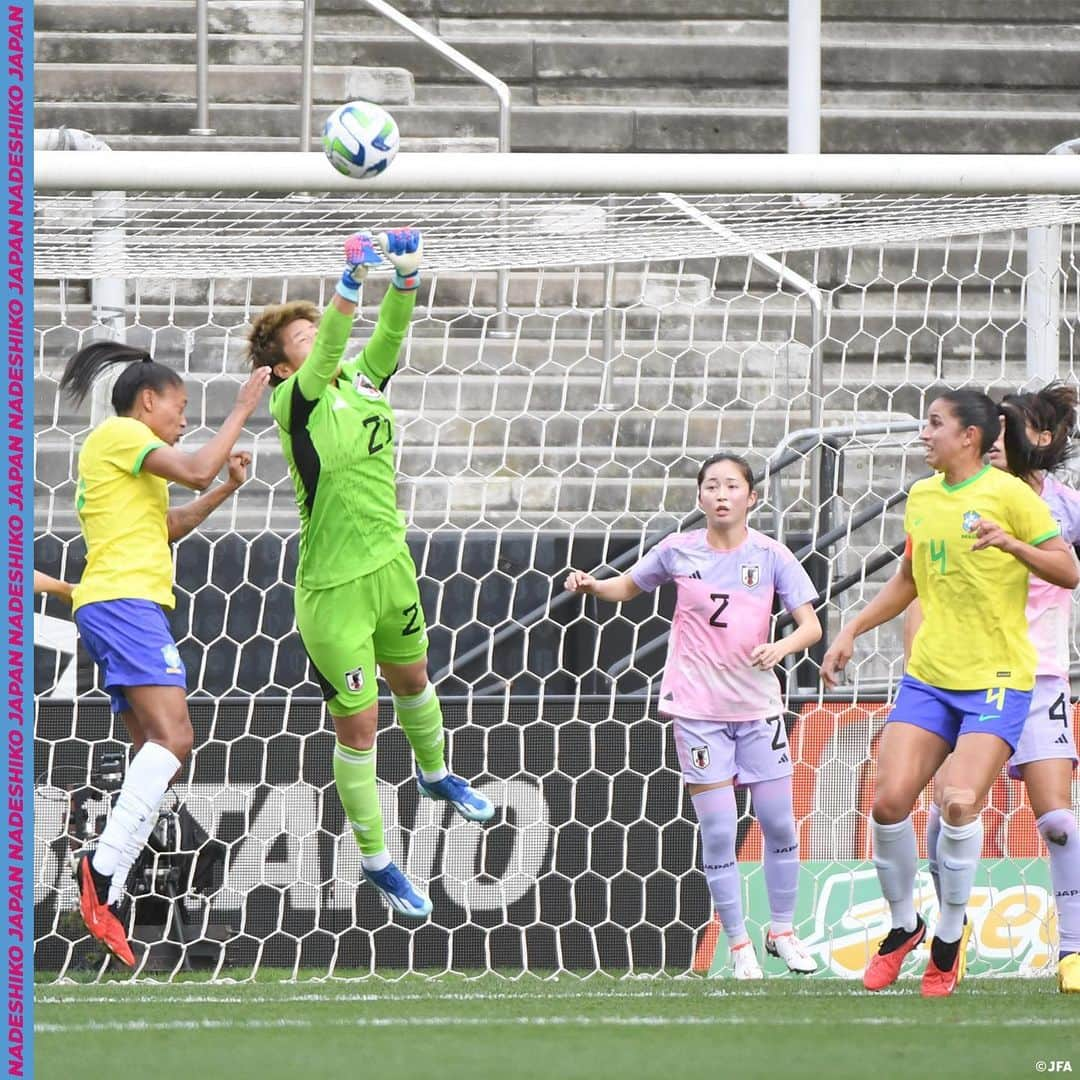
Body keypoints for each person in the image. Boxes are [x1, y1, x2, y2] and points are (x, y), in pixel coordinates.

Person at [247, 229, 494, 921]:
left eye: (315, 327)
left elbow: (385, 337)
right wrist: (347, 285)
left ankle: (437, 772)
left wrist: (407, 278)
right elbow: (332, 346)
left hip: (391, 567)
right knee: (359, 726)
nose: (320, 337)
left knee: (414, 679)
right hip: (332, 593)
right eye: (302, 335)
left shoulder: (363, 380)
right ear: (280, 365)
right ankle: (379, 861)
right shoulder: (291, 403)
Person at [821, 389, 1079, 997]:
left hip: (1003, 679)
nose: (922, 434)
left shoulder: (1018, 497)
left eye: (933, 423)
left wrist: (1012, 545)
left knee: (964, 802)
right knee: (889, 804)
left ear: (970, 435)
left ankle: (953, 933)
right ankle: (902, 925)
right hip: (932, 677)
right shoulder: (922, 497)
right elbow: (909, 578)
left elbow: (1068, 569)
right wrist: (853, 626)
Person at [564, 453, 822, 978]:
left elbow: (810, 627)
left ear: (753, 498)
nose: (721, 494)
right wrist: (594, 586)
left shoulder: (772, 556)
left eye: (732, 486)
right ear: (700, 497)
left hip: (758, 709)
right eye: (711, 486)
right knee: (721, 831)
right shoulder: (677, 551)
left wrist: (782, 647)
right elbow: (629, 586)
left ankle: (783, 932)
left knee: (777, 822)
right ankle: (738, 945)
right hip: (698, 712)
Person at [59, 341, 268, 966]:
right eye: (179, 406)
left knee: (155, 751)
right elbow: (197, 467)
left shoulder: (127, 458)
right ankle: (99, 871)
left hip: (116, 605)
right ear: (147, 402)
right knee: (176, 739)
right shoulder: (120, 433)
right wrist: (241, 408)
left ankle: (109, 892)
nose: (184, 419)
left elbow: (168, 525)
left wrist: (227, 490)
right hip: (125, 605)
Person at [906, 383, 1080, 993]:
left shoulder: (1061, 506)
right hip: (964, 677)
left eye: (1017, 431)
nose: (1002, 442)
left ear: (1042, 439)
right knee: (949, 808)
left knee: (1058, 819)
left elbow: (1070, 568)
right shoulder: (955, 499)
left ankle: (1073, 950)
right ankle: (948, 935)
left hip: (1041, 677)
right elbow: (920, 583)